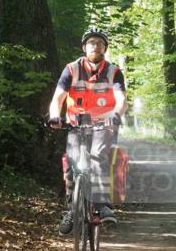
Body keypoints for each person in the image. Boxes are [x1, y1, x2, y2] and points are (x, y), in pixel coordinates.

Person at [48, 27, 127, 235]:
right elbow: (58, 98)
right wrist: (55, 115)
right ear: (84, 47)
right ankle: (72, 210)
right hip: (76, 123)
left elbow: (121, 100)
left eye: (100, 43)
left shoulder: (113, 71)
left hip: (105, 124)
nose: (96, 46)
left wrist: (116, 114)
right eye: (91, 43)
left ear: (105, 48)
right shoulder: (72, 69)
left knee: (97, 156)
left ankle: (103, 206)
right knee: (72, 165)